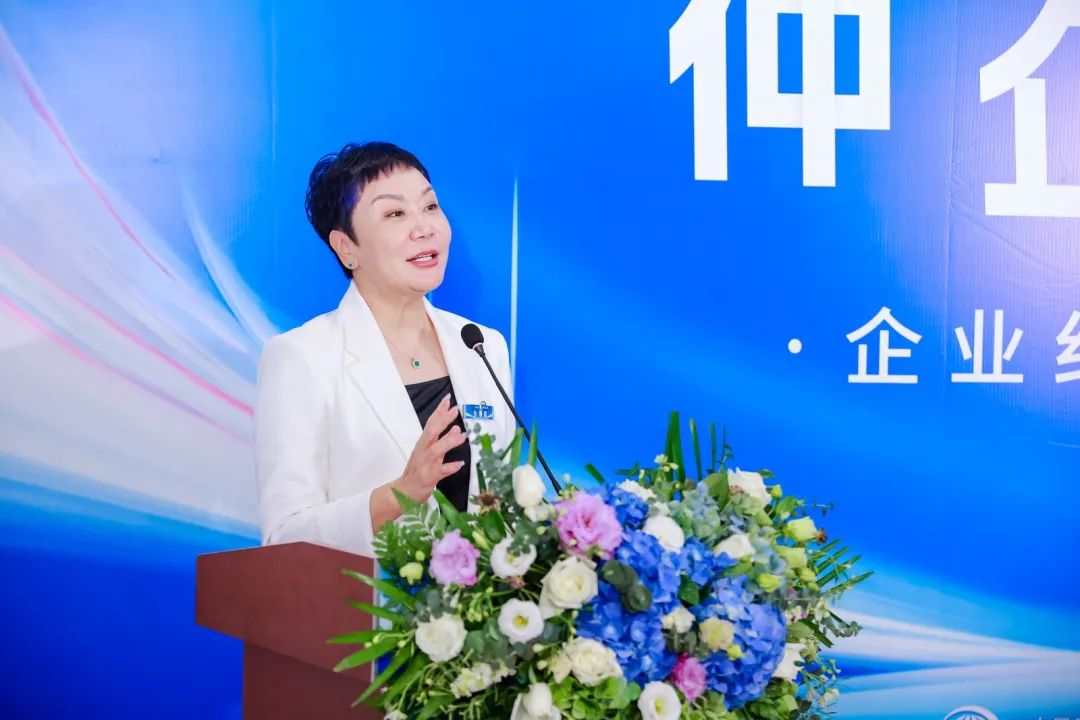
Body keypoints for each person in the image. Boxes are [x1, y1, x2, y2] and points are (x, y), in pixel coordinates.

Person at [254, 142, 515, 557]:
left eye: (430, 206)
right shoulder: (302, 358)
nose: (424, 227)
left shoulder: (481, 346)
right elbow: (284, 537)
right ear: (346, 248)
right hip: (365, 597)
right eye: (395, 214)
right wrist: (401, 493)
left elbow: (504, 505)